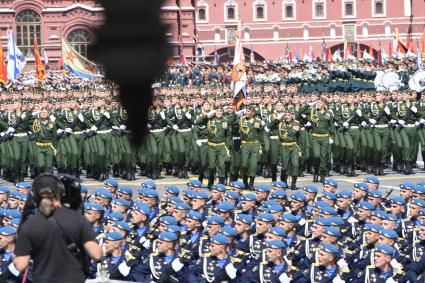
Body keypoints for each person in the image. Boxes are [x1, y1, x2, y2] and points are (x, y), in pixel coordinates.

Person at [13, 174, 102, 283]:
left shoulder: (30, 223)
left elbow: (21, 265)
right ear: (59, 194)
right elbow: (96, 254)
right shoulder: (78, 219)